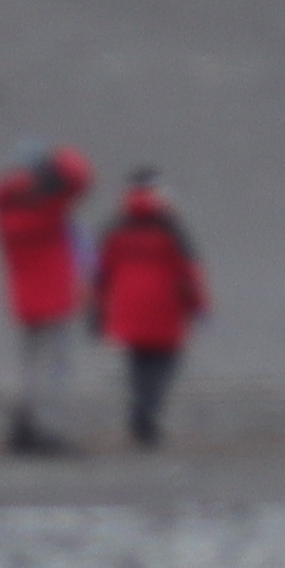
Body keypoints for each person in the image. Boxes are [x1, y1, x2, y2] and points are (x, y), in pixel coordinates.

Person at [89, 167, 208, 450]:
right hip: (164, 311)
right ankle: (148, 419)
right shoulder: (170, 227)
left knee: (137, 365)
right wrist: (198, 306)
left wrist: (97, 312)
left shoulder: (115, 227)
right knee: (163, 366)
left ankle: (138, 416)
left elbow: (99, 274)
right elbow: (188, 272)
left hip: (127, 311)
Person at [0, 142, 91, 454]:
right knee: (54, 367)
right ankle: (46, 432)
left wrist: (22, 181)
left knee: (30, 365)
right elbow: (81, 176)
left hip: (25, 299)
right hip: (55, 298)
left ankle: (23, 427)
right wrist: (56, 163)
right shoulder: (50, 208)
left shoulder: (5, 212)